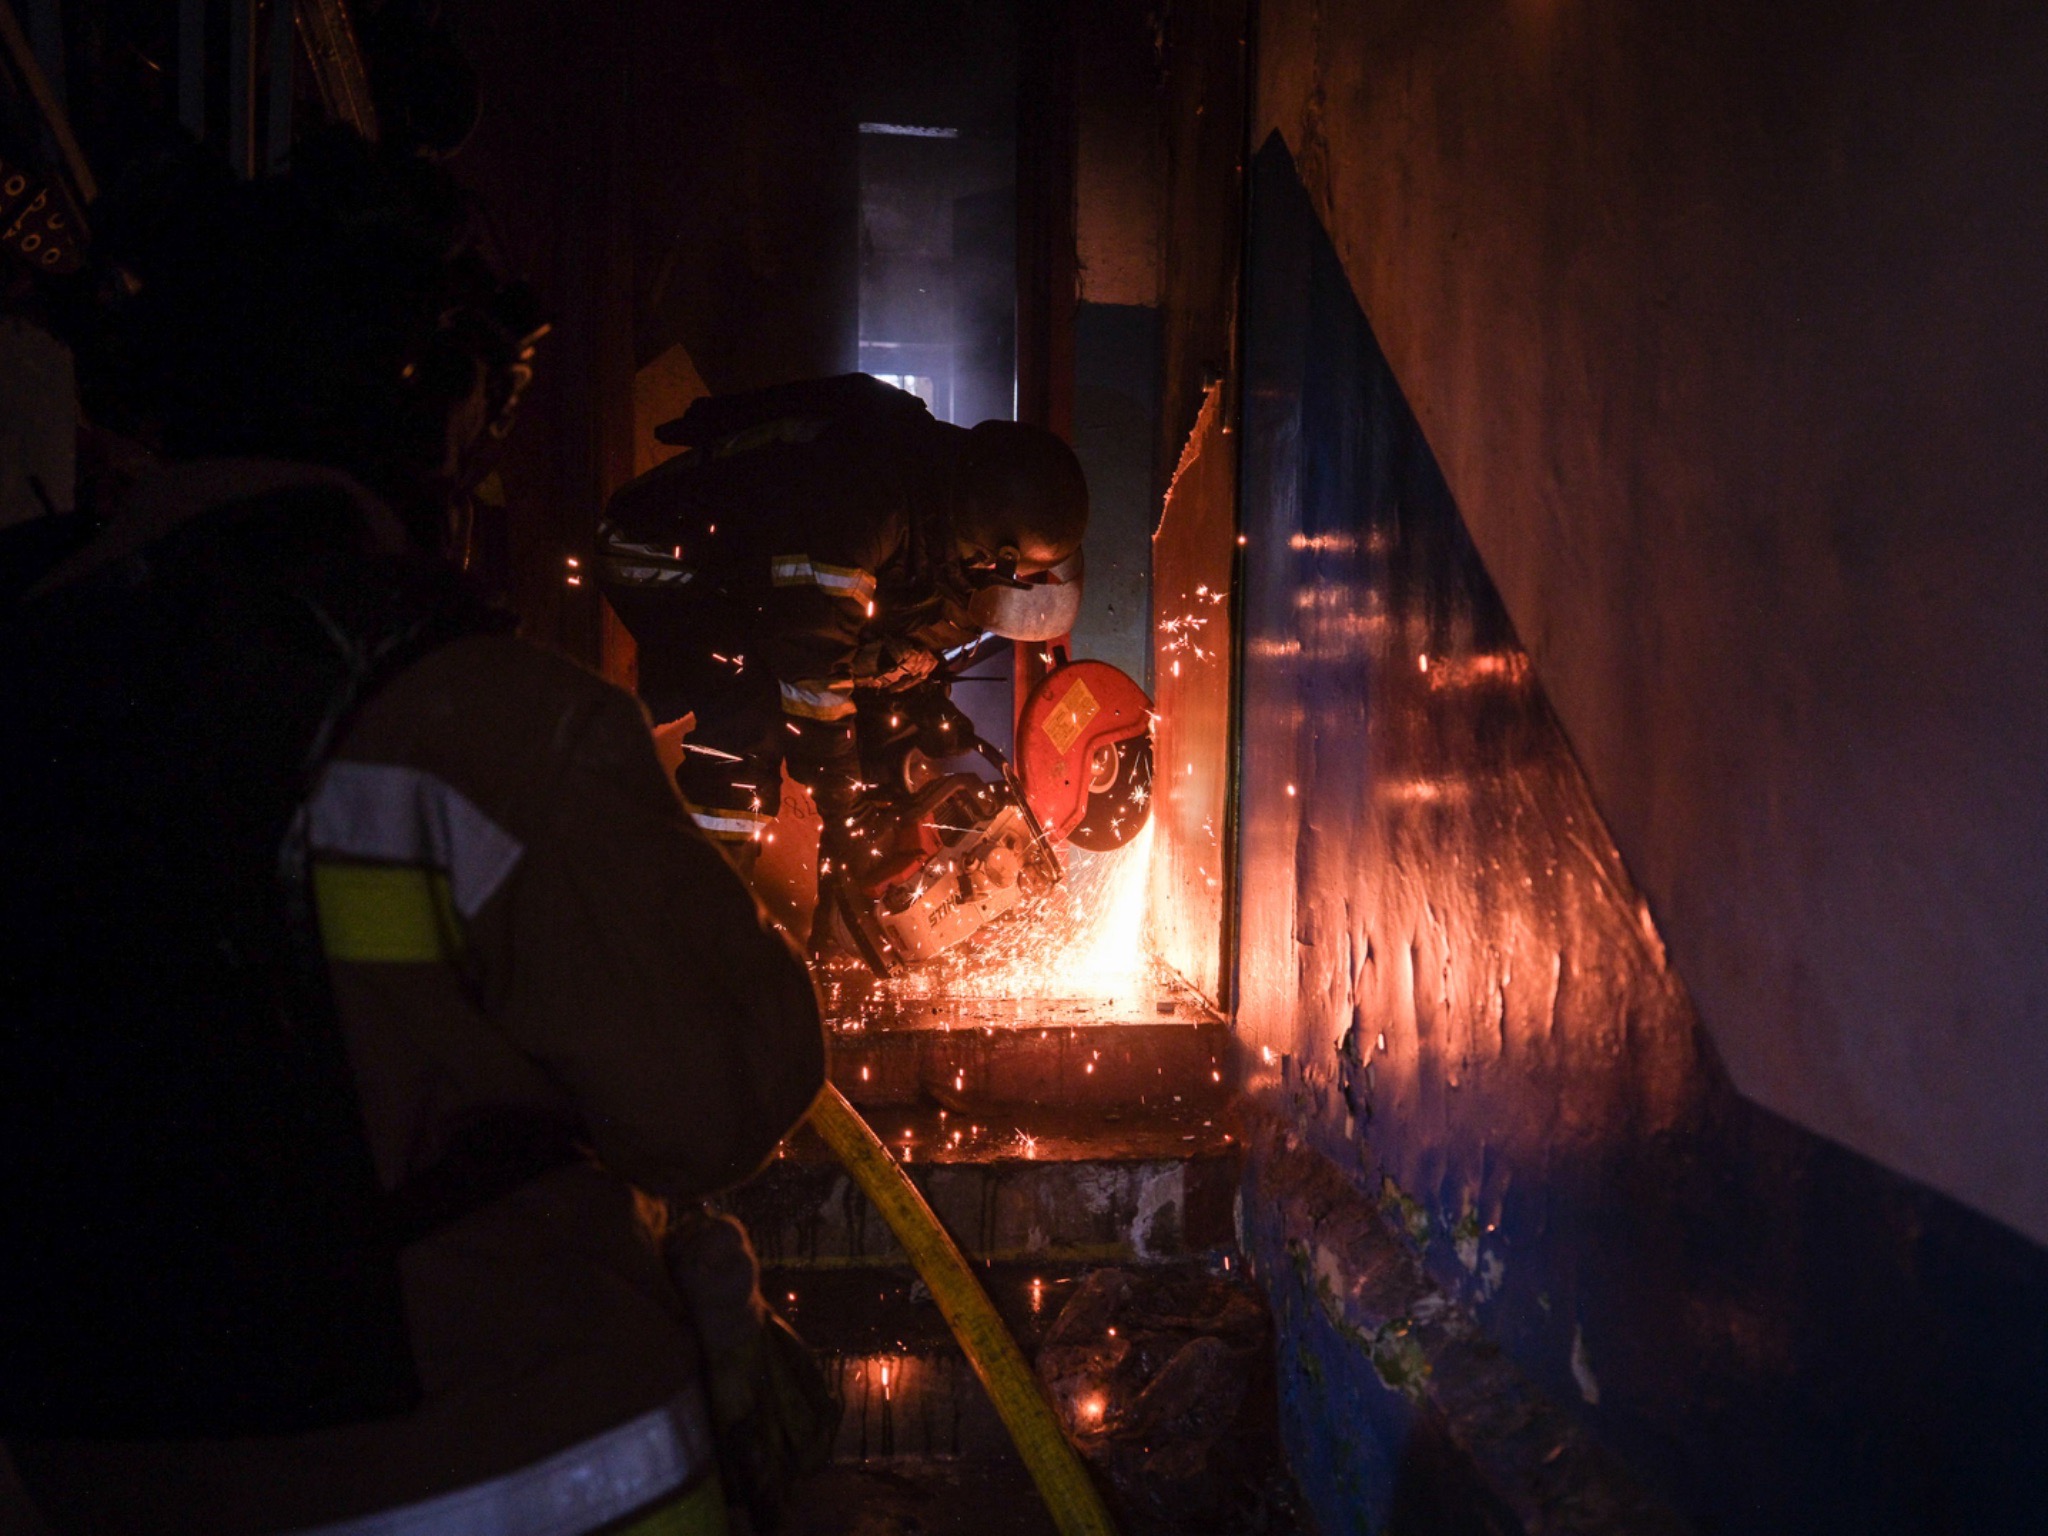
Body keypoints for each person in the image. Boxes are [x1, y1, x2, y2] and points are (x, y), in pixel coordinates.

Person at [0, 132, 825, 1536]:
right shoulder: (484, 719)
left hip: (106, 1479)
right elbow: (719, 1103)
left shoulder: (32, 674)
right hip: (507, 1463)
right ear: (425, 414)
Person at [594, 375, 1088, 874]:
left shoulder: (936, 498)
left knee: (818, 712)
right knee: (748, 722)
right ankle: (703, 901)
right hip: (657, 555)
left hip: (747, 584)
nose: (990, 574)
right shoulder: (870, 502)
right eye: (997, 566)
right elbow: (812, 667)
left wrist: (920, 700)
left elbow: (868, 634)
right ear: (993, 541)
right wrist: (844, 810)